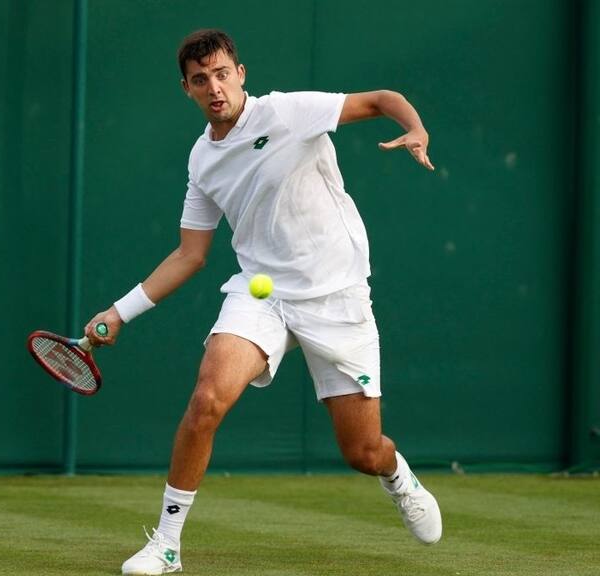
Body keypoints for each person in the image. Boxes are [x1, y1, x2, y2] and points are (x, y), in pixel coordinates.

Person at [84, 28, 442, 575]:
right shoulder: (202, 160)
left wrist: (413, 127)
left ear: (240, 74)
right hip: (264, 294)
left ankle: (397, 477)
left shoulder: (288, 112)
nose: (214, 88)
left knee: (363, 452)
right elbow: (189, 255)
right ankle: (167, 544)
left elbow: (379, 100)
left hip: (337, 296)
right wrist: (120, 311)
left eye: (222, 74)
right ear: (187, 89)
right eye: (200, 80)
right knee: (207, 400)